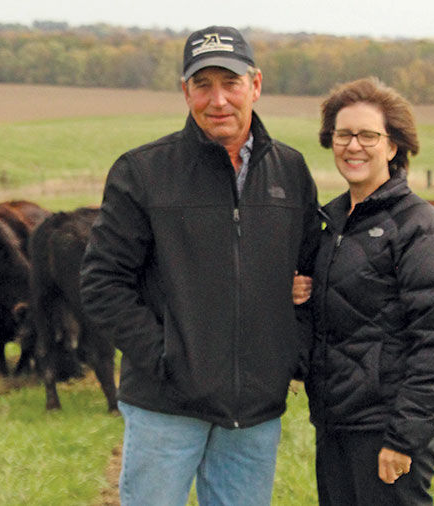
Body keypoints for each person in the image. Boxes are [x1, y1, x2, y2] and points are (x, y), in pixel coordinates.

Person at [80, 25, 320, 506]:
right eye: (202, 84)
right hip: (166, 406)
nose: (218, 100)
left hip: (254, 411)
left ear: (255, 85)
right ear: (184, 90)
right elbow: (102, 283)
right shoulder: (143, 172)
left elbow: (313, 272)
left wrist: (287, 356)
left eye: (230, 83)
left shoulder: (290, 172)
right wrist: (166, 358)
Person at [297, 77, 434, 505]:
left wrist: (404, 438)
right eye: (343, 135)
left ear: (393, 146)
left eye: (368, 135)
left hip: (387, 431)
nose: (354, 146)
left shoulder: (420, 228)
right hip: (335, 424)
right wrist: (301, 296)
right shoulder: (331, 223)